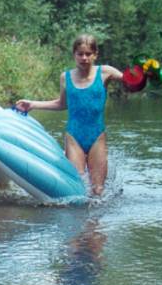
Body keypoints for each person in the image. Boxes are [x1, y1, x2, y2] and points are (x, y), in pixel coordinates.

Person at [16, 34, 124, 196]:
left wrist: (146, 73)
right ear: (74, 54)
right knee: (77, 189)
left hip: (97, 137)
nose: (84, 58)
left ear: (95, 54)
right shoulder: (65, 77)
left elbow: (131, 82)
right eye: (80, 54)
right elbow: (62, 104)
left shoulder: (105, 73)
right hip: (74, 137)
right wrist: (32, 104)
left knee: (98, 190)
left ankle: (95, 221)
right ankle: (78, 220)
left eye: (88, 54)